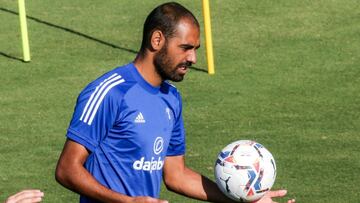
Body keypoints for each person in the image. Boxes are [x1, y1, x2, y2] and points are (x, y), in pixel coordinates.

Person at [55, 2, 295, 203]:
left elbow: (176, 175)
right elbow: (67, 170)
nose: (193, 58)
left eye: (195, 49)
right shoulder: (110, 92)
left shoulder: (171, 98)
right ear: (157, 40)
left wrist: (244, 197)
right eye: (185, 48)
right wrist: (127, 202)